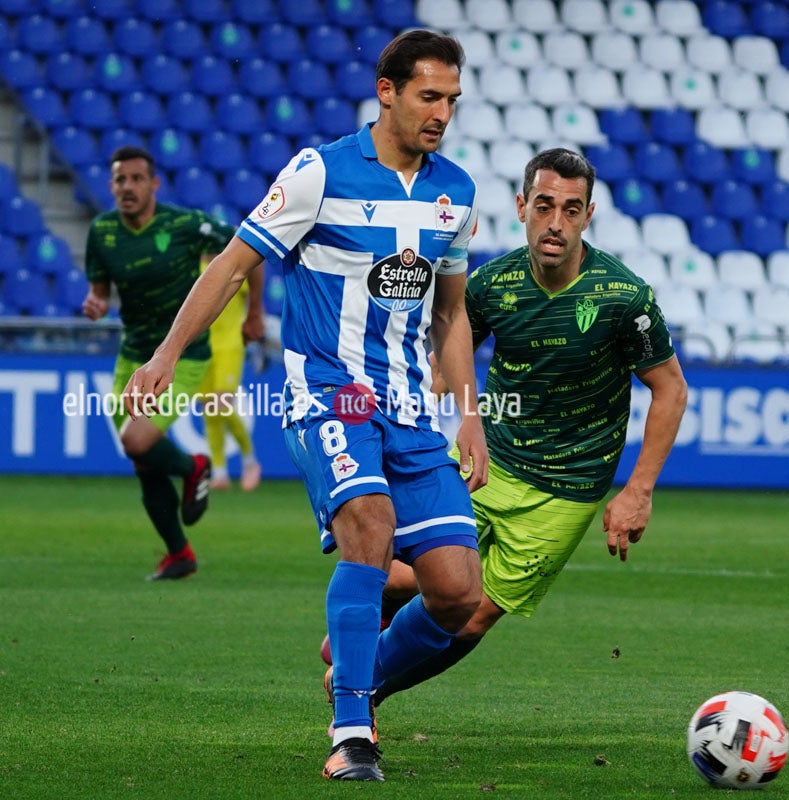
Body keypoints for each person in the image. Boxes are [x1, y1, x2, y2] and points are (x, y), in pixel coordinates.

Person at [121, 30, 488, 783]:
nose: (441, 113)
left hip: (412, 412)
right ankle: (352, 729)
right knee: (371, 526)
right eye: (428, 96)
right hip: (327, 394)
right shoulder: (321, 172)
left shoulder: (457, 192)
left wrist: (470, 414)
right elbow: (230, 266)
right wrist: (163, 355)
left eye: (451, 99)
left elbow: (451, 316)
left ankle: (358, 668)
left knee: (456, 595)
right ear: (386, 91)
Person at [350, 147, 688, 711]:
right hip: (487, 462)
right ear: (521, 206)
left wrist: (639, 489)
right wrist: (428, 392)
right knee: (403, 572)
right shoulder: (491, 283)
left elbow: (671, 388)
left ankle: (362, 694)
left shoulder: (623, 297)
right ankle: (373, 644)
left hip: (567, 489)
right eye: (545, 205)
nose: (556, 223)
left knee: (476, 613)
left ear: (589, 214)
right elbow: (448, 352)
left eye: (572, 210)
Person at [83, 146, 235, 581]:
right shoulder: (103, 232)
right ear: (111, 186)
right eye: (119, 180)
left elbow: (246, 250)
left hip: (182, 356)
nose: (127, 187)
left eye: (135, 179)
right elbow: (100, 289)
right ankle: (179, 554)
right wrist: (95, 301)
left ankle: (195, 467)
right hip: (132, 357)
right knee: (143, 460)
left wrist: (256, 311)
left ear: (154, 184)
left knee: (136, 441)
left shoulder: (185, 225)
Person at [198, 255, 265, 491]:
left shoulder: (233, 265)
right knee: (209, 408)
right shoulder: (193, 266)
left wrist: (256, 317)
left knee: (221, 402)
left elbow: (252, 295)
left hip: (230, 344)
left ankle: (250, 461)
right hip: (203, 345)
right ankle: (219, 471)